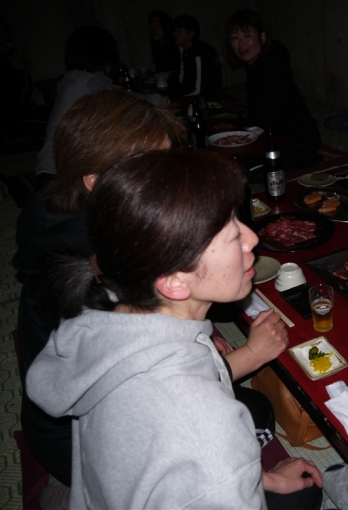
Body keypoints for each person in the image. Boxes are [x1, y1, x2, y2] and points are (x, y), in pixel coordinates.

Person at [26, 148, 323, 509]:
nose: (252, 238)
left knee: (257, 408)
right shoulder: (206, 423)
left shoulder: (107, 310)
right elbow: (202, 440)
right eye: (232, 235)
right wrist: (232, 471)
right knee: (308, 493)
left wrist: (262, 478)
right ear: (175, 282)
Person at [13, 89, 184, 488]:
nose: (166, 178)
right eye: (147, 168)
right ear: (94, 181)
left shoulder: (67, 213)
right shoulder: (92, 262)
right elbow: (149, 385)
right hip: (81, 441)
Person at [33, 25, 166, 189]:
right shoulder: (88, 84)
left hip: (47, 172)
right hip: (61, 179)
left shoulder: (71, 80)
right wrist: (163, 100)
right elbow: (133, 102)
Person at [226, 9, 321, 160]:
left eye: (247, 36)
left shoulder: (272, 67)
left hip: (297, 142)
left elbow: (265, 116)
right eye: (235, 38)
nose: (241, 43)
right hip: (278, 136)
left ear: (262, 37)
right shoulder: (256, 64)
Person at [169, 15, 222, 100]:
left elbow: (199, 90)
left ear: (191, 33)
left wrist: (174, 98)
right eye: (174, 30)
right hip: (194, 96)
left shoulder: (201, 53)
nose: (175, 34)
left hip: (207, 100)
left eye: (179, 30)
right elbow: (182, 81)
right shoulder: (184, 51)